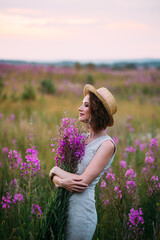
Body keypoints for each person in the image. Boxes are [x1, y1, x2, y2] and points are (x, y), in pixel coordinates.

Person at [49, 84, 117, 240]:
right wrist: (60, 182)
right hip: (63, 206)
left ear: (96, 110)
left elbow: (81, 181)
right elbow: (62, 178)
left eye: (86, 105)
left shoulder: (106, 144)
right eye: (82, 104)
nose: (80, 108)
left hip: (80, 214)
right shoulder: (81, 139)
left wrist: (53, 170)